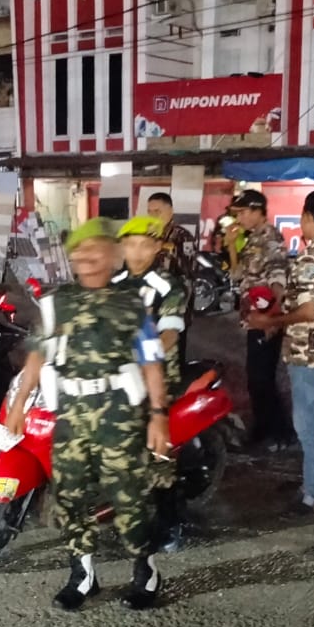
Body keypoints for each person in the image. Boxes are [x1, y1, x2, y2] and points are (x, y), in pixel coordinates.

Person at [5, 218, 172, 611]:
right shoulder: (55, 303)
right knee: (71, 495)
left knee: (130, 496)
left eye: (95, 248)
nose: (85, 256)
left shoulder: (131, 304)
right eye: (79, 250)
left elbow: (151, 362)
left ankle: (145, 570)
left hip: (119, 415)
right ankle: (83, 576)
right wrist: (19, 403)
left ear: (113, 255)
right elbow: (37, 355)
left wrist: (159, 415)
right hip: (72, 414)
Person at [246, 190, 314, 516]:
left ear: (306, 217)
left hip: (308, 352)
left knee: (306, 425)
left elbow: (308, 311)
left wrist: (270, 321)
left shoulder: (310, 259)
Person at [112, 215, 189, 552]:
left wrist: (144, 357)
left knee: (159, 454)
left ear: (158, 247)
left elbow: (170, 333)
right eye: (130, 244)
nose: (137, 252)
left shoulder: (169, 285)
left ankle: (171, 523)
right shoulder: (112, 282)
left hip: (157, 378)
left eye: (145, 245)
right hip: (116, 377)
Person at [231, 189, 292, 451]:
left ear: (258, 211)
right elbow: (237, 275)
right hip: (254, 318)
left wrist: (272, 320)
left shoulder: (270, 239)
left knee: (262, 378)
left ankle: (279, 434)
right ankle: (263, 428)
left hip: (265, 319)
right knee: (256, 377)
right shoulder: (252, 239)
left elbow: (278, 281)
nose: (239, 218)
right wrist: (231, 245)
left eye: (243, 212)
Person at [146, 192, 197, 362]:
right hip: (152, 304)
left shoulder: (182, 236)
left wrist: (166, 247)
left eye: (157, 211)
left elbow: (189, 270)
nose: (153, 216)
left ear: (171, 211)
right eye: (150, 211)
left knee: (174, 353)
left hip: (176, 304)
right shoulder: (148, 236)